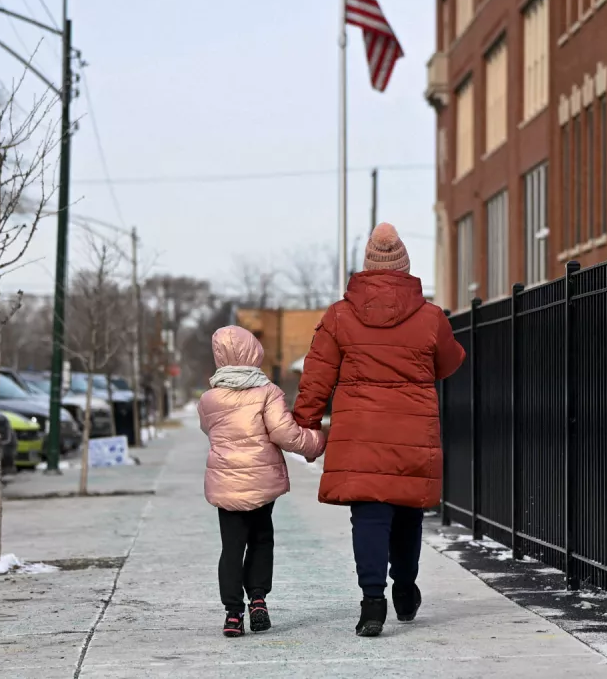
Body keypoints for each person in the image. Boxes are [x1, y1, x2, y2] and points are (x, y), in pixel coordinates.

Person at [294, 223, 466, 637]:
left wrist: (306, 424)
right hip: (411, 432)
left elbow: (317, 375)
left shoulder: (339, 316)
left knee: (368, 518)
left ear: (367, 269)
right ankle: (405, 590)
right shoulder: (430, 317)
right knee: (407, 516)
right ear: (405, 268)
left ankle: (373, 602)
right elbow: (449, 362)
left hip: (359, 436)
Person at [198, 325, 326, 638]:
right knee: (260, 539)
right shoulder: (267, 393)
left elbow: (209, 431)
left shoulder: (209, 399)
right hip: (261, 480)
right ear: (253, 351)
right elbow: (284, 434)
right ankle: (257, 599)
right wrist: (315, 443)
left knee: (231, 547)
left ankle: (232, 614)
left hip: (226, 481)